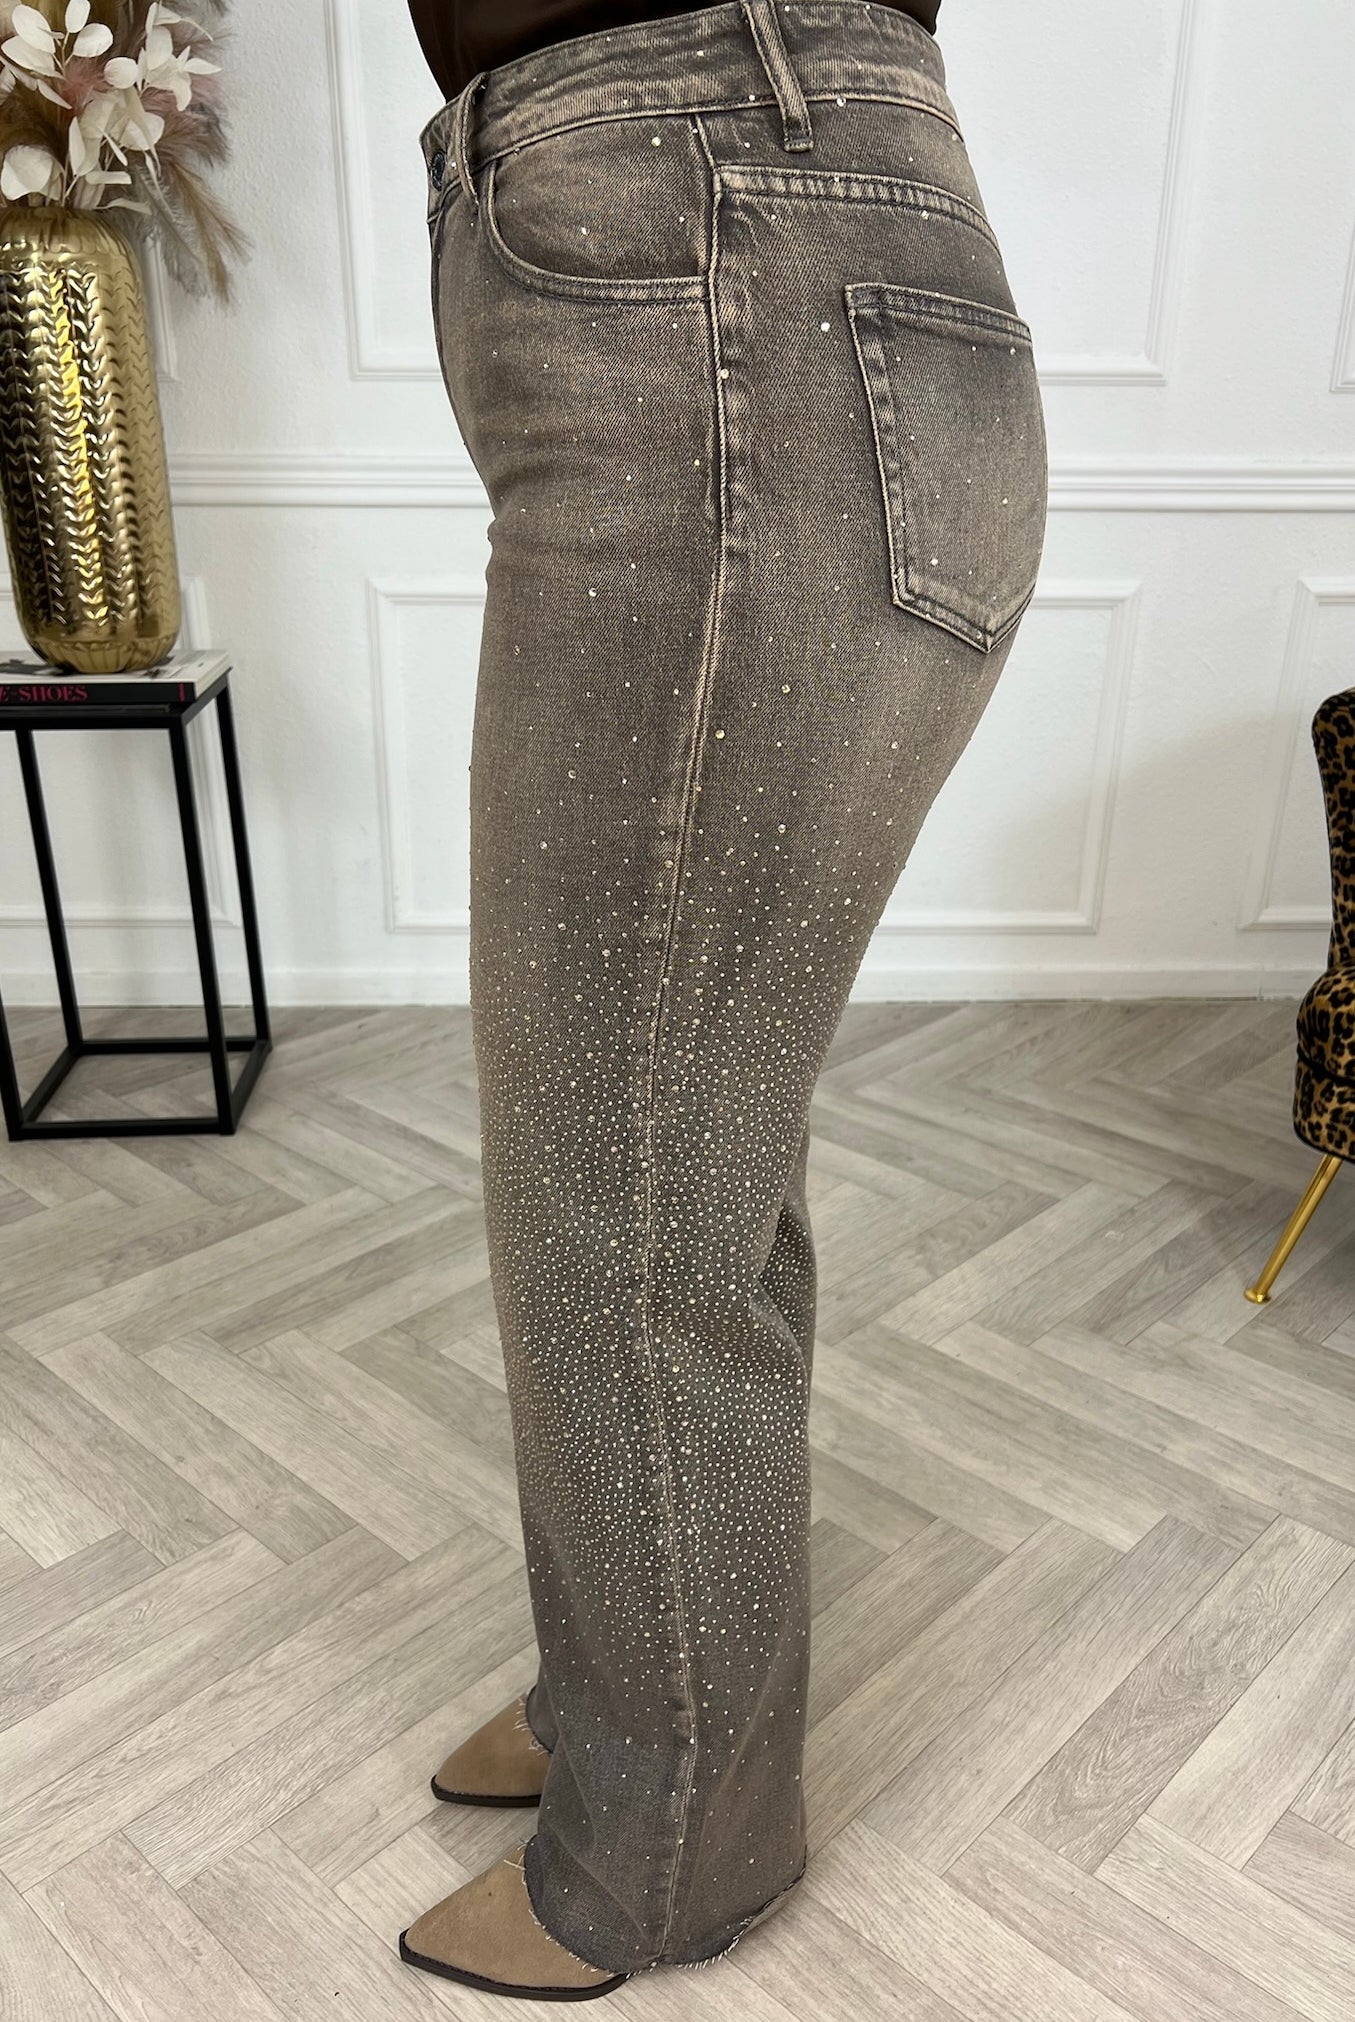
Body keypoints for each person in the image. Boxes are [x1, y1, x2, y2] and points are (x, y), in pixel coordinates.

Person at [401, 0, 1048, 1998]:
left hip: (712, 239)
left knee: (625, 1186)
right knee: (664, 1162)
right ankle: (638, 1709)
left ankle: (668, 1848)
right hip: (734, 243)